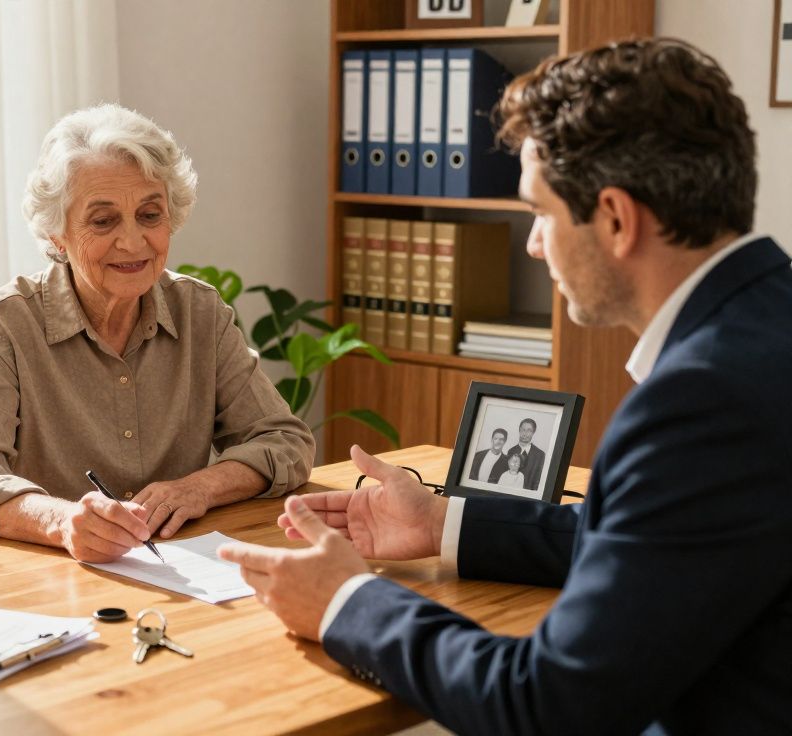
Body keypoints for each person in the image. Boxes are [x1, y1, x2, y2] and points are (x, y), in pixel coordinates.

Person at [220, 37, 792, 734]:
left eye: (539, 213)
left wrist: (347, 600)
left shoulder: (702, 398)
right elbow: (668, 540)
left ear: (615, 218)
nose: (531, 245)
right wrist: (444, 522)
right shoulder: (769, 323)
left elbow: (547, 707)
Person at [0, 104, 314, 561]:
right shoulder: (1, 326)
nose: (133, 242)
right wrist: (62, 521)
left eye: (150, 215)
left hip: (160, 571)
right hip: (15, 581)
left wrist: (200, 487)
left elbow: (285, 441)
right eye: (103, 220)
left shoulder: (200, 312)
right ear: (57, 235)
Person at [507, 417, 545, 490]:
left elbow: (537, 480)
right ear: (519, 430)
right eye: (523, 430)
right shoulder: (511, 451)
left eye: (529, 430)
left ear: (533, 432)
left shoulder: (540, 454)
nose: (525, 433)